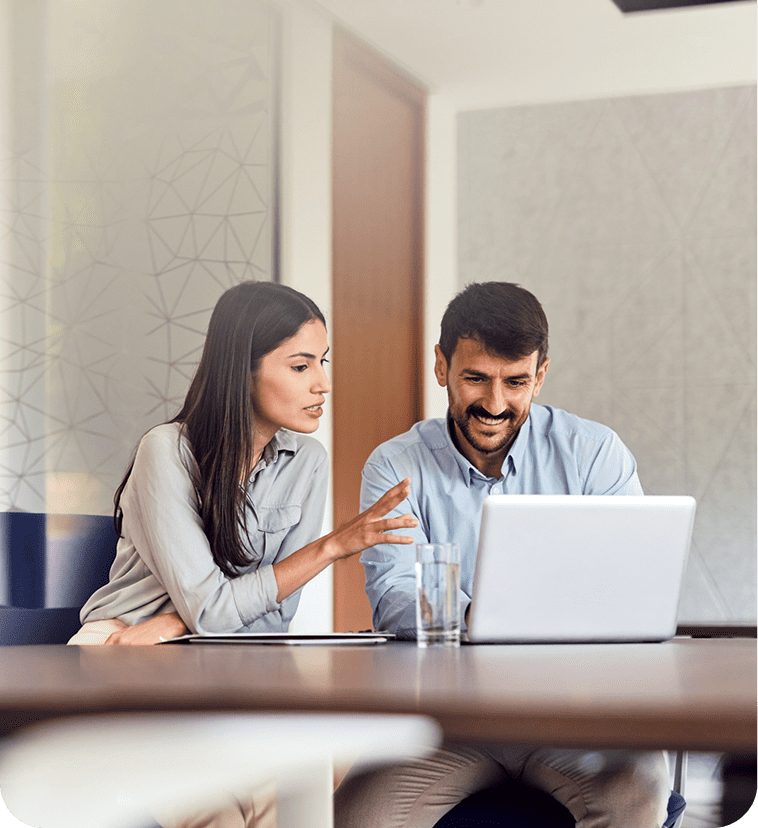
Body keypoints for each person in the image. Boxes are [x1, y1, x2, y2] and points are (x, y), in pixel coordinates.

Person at [334, 282, 673, 828]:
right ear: (442, 366)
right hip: (448, 726)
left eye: (515, 382)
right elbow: (394, 596)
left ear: (539, 375)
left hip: (575, 718)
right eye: (476, 378)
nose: (494, 405)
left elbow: (627, 592)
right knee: (360, 812)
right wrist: (486, 618)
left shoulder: (594, 454)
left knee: (637, 796)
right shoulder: (395, 465)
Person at [69, 280, 417, 648]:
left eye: (323, 361)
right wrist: (330, 547)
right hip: (123, 643)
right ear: (243, 372)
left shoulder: (308, 462)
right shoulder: (165, 451)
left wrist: (175, 624)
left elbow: (275, 617)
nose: (324, 384)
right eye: (301, 366)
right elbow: (212, 612)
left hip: (224, 646)